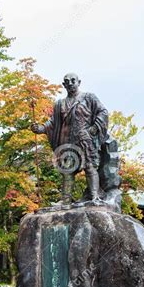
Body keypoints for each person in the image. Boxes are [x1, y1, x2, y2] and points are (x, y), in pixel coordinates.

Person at [32, 72, 109, 206]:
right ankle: (66, 200)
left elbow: (103, 112)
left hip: (84, 139)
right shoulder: (60, 104)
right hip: (67, 141)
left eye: (73, 80)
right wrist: (40, 128)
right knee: (67, 170)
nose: (70, 83)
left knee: (90, 167)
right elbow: (53, 123)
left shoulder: (88, 98)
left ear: (79, 82)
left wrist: (95, 127)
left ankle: (94, 196)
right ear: (64, 85)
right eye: (67, 81)